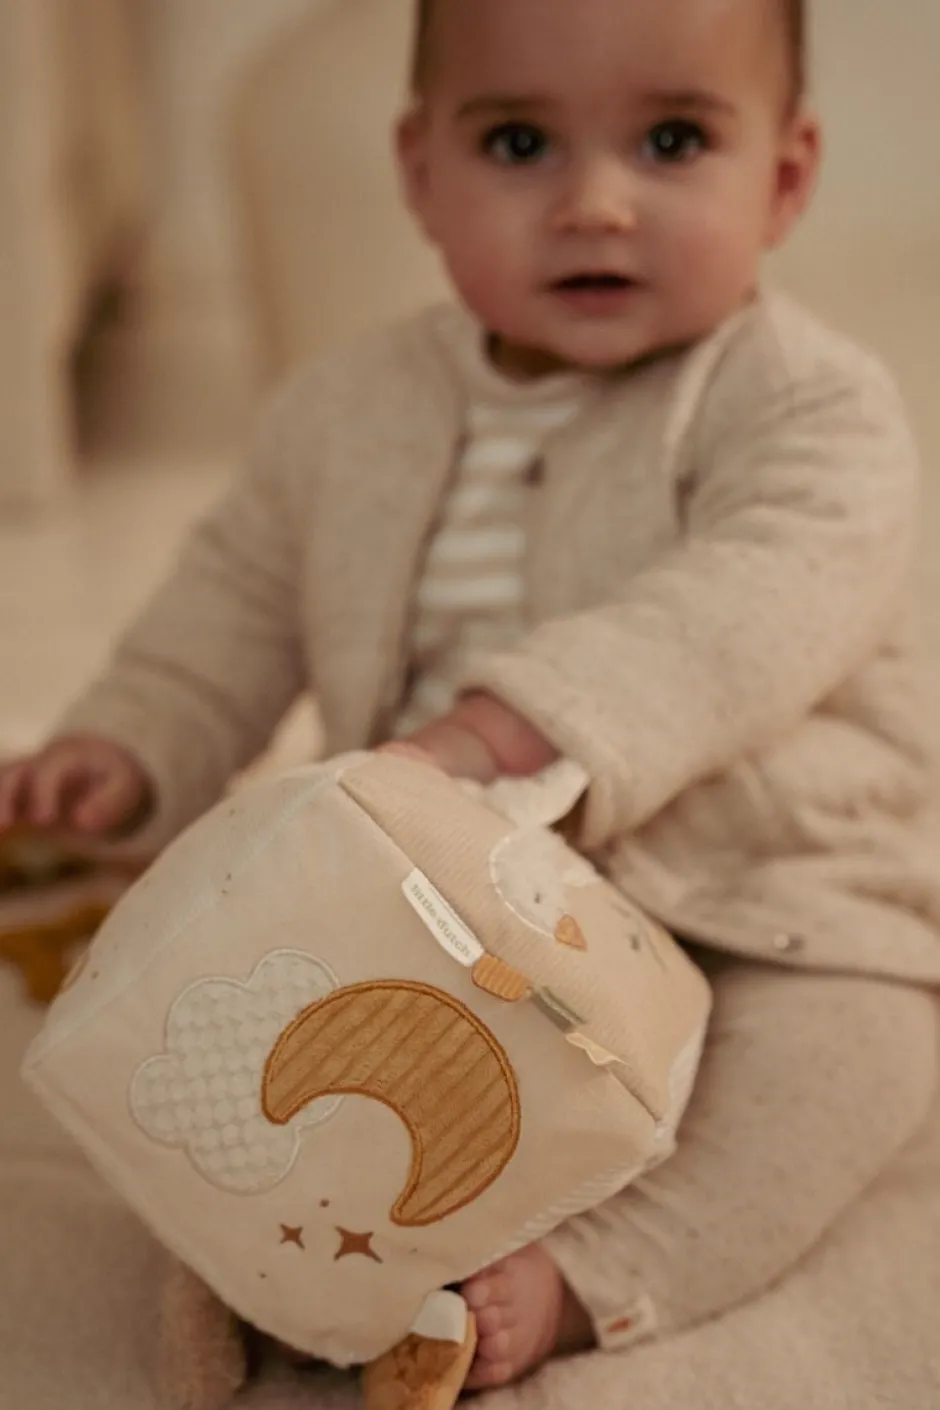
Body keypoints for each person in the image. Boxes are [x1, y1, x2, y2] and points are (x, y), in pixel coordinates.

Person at [2, 0, 939, 1398]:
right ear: (422, 173)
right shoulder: (340, 413)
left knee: (855, 1051)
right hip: (424, 908)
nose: (596, 203)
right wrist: (132, 739)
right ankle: (280, 1271)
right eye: (517, 144)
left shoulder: (812, 409)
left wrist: (504, 733)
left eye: (672, 142)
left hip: (758, 887)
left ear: (785, 176)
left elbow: (747, 610)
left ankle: (584, 1277)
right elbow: (231, 606)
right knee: (243, 1032)